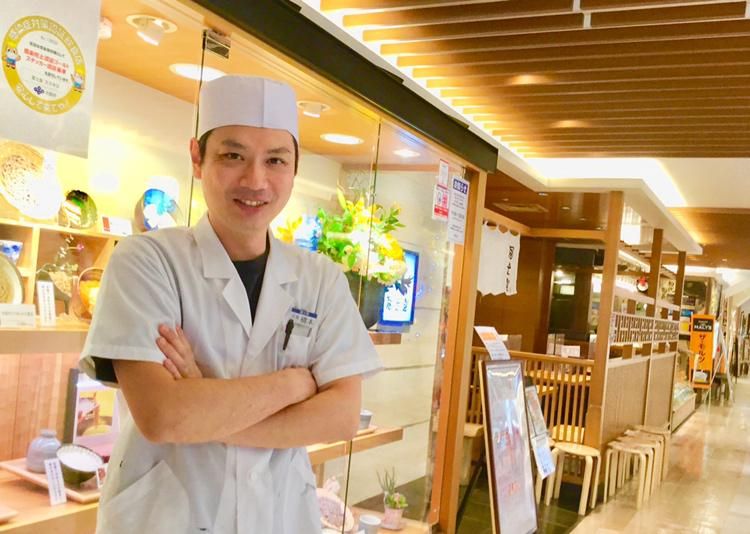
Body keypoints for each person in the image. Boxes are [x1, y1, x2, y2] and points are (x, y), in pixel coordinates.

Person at [79, 75, 382, 533]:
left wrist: (203, 400)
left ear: (294, 167)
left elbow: (341, 417)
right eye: (233, 156)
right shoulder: (146, 260)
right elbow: (164, 416)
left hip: (281, 516)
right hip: (167, 518)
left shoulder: (320, 278)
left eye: (275, 160)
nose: (255, 180)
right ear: (197, 159)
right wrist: (294, 385)